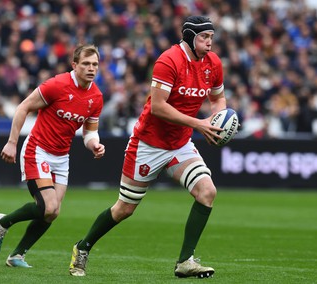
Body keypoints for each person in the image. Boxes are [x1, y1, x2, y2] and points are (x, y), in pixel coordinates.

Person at [69, 16, 227, 278]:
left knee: (207, 191)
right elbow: (158, 106)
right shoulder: (169, 60)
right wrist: (199, 124)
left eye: (211, 36)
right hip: (148, 144)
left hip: (179, 144)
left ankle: (185, 261)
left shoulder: (213, 63)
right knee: (124, 209)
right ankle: (82, 247)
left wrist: (216, 119)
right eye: (204, 37)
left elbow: (218, 98)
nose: (209, 42)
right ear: (190, 37)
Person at [0, 44, 105, 268]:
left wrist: (95, 144)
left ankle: (17, 256)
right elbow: (23, 107)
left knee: (52, 213)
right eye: (86, 64)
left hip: (62, 157)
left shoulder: (96, 97)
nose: (91, 68)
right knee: (48, 206)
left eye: (95, 64)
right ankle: (3, 221)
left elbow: (90, 131)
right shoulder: (57, 85)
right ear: (74, 65)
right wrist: (12, 142)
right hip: (38, 150)